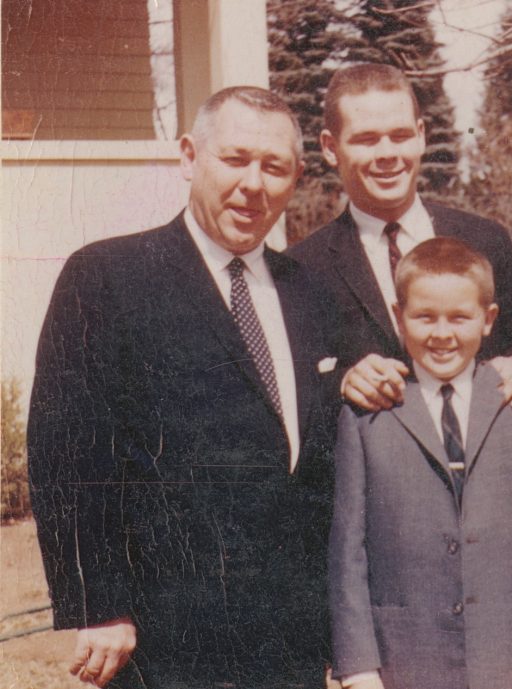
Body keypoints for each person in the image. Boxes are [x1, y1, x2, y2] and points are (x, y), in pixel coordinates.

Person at [28, 86, 339, 689]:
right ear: (190, 157)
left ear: (296, 178)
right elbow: (66, 449)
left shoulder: (311, 294)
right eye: (235, 158)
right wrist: (99, 605)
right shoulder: (107, 277)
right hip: (164, 639)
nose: (254, 183)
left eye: (274, 167)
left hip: (289, 641)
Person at [328, 237, 512, 689]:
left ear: (488, 321)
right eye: (424, 317)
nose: (442, 334)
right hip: (404, 658)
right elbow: (349, 551)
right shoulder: (369, 412)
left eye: (459, 318)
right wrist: (359, 666)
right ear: (398, 316)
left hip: (508, 654)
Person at [288, 62, 512, 413]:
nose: (388, 154)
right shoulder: (302, 268)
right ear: (330, 147)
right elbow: (293, 387)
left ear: (421, 135)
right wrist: (341, 381)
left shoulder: (485, 241)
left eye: (400, 136)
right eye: (367, 139)